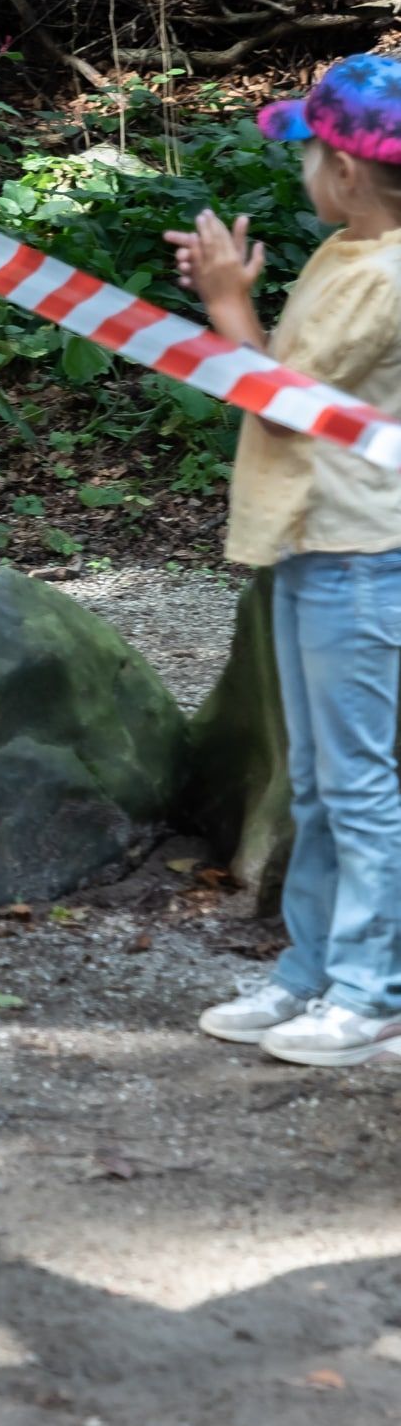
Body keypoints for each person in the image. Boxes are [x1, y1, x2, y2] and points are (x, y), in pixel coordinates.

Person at [167, 52, 401, 1070]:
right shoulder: (351, 252)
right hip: (318, 544)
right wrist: (242, 299)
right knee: (314, 780)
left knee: (356, 785)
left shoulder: (385, 275)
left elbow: (280, 394)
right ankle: (311, 972)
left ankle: (370, 991)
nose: (299, 168)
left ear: (346, 171)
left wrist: (227, 304)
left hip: (364, 555)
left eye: (307, 150)